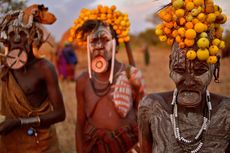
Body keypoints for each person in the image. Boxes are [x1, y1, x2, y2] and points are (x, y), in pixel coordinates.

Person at [138, 1, 229, 153]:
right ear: (170, 65)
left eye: (200, 71)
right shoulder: (151, 108)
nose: (188, 81)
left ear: (216, 67)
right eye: (179, 69)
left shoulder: (226, 113)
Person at [70, 5, 145, 153]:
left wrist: (137, 149)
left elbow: (144, 119)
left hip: (128, 145)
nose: (98, 45)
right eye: (93, 41)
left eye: (104, 39)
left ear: (116, 47)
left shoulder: (131, 74)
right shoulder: (83, 80)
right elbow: (80, 124)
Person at [0, 4, 66, 153]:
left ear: (32, 38)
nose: (16, 39)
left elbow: (60, 114)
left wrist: (19, 123)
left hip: (40, 144)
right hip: (9, 143)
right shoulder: (5, 68)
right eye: (11, 35)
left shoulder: (44, 68)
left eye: (22, 34)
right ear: (6, 42)